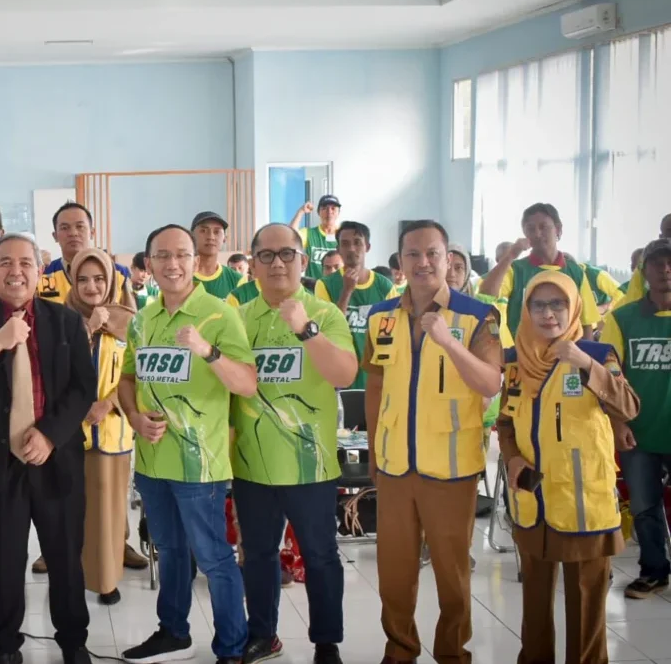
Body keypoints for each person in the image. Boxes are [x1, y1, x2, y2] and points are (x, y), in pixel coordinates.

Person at [0, 233, 96, 664]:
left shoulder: (65, 322)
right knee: (5, 563)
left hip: (56, 458)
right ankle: (6, 647)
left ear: (40, 271)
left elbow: (83, 388)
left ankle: (73, 642)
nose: (16, 271)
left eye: (26, 263)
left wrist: (49, 433)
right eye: (6, 263)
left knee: (65, 558)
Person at [363, 220, 504, 664]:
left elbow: (490, 384)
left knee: (452, 573)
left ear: (448, 259)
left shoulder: (477, 316)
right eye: (413, 254)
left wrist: (448, 342)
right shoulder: (380, 316)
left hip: (451, 467)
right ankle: (400, 650)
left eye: (432, 254)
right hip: (394, 465)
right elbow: (375, 386)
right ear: (400, 261)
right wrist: (372, 448)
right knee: (394, 572)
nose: (423, 262)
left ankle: (452, 652)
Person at [119, 224, 257, 664]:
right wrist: (136, 418)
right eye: (162, 256)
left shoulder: (220, 314)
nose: (172, 264)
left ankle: (232, 648)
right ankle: (173, 632)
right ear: (149, 264)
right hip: (154, 463)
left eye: (181, 255)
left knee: (214, 558)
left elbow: (248, 384)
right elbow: (126, 380)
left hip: (201, 466)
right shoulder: (143, 319)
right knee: (171, 552)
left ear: (196, 261)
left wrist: (208, 351)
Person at [231, 224, 357, 664]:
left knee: (321, 556)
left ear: (303, 260)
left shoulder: (327, 314)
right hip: (251, 462)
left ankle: (327, 641)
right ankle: (263, 634)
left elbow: (344, 375)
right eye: (266, 255)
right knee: (260, 555)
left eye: (287, 253)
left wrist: (307, 330)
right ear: (252, 266)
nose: (277, 263)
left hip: (311, 464)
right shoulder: (238, 318)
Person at [500, 271, 638, 664]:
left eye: (557, 303)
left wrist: (583, 362)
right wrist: (510, 457)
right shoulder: (515, 360)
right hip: (534, 499)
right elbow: (506, 422)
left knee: (586, 606)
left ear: (574, 306)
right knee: (535, 606)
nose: (548, 314)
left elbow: (627, 407)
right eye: (538, 305)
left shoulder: (599, 354)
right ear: (525, 311)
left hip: (584, 502)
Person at [65, 247, 137, 606]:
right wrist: (87, 333)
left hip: (112, 430)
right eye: (82, 279)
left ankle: (107, 580)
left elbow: (134, 372)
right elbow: (54, 373)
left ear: (110, 281)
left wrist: (108, 402)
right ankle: (73, 577)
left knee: (109, 513)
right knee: (73, 511)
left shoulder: (127, 321)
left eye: (98, 278)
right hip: (71, 434)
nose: (91, 286)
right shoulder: (63, 320)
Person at [604, 239, 671, 600]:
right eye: (657, 264)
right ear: (643, 272)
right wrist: (618, 423)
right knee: (645, 508)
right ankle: (654, 571)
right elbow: (610, 377)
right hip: (639, 434)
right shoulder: (622, 318)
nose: (665, 271)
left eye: (670, 264)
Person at [478, 203, 601, 336]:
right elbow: (486, 295)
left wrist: (586, 355)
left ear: (558, 230)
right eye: (531, 229)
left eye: (544, 227)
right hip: (523, 353)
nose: (537, 234)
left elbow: (586, 323)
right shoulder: (516, 270)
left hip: (567, 353)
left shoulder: (575, 272)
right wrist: (510, 256)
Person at [314, 221, 399, 390]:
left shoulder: (386, 287)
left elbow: (392, 338)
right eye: (345, 244)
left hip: (375, 381)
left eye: (357, 243)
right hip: (339, 379)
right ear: (338, 249)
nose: (352, 249)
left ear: (367, 246)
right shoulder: (325, 285)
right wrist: (346, 292)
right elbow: (327, 332)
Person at [40, 202, 132, 305]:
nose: (73, 233)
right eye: (65, 228)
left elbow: (132, 317)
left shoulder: (119, 273)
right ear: (55, 236)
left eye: (80, 226)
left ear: (92, 233)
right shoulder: (44, 274)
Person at [191, 211, 246, 299]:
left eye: (216, 232)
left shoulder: (237, 280)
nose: (211, 237)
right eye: (203, 231)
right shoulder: (180, 277)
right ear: (191, 236)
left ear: (224, 239)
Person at [289, 195, 341, 280]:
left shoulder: (343, 235)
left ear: (338, 212)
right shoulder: (309, 233)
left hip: (336, 289)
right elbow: (290, 237)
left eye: (333, 208)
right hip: (313, 289)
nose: (329, 212)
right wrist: (301, 211)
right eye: (324, 208)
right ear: (318, 212)